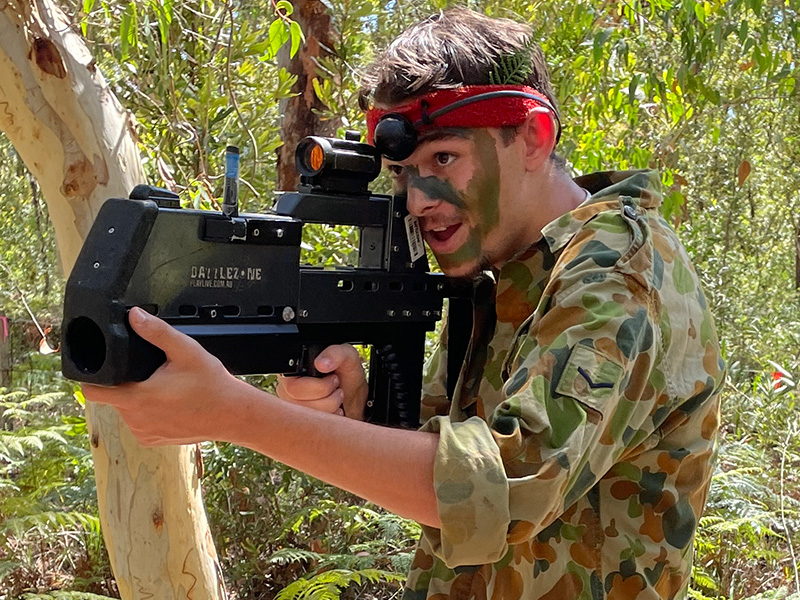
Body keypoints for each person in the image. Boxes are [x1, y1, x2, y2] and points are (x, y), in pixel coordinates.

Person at [84, 8, 725, 599]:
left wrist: (239, 415)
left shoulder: (617, 268)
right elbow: (442, 471)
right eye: (402, 173)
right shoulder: (499, 275)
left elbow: (503, 491)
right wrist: (357, 414)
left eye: (445, 157)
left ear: (533, 137)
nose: (418, 199)